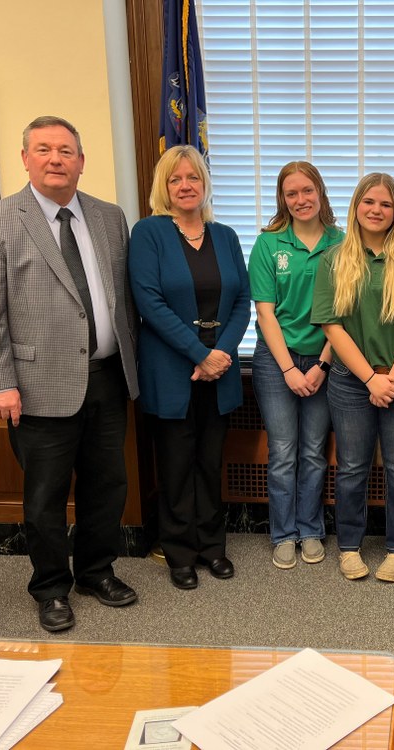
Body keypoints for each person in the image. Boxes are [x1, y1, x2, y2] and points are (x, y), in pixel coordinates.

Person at [0, 116, 140, 633]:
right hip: (37, 386)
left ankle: (96, 572)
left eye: (66, 150)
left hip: (107, 378)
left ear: (81, 161)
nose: (55, 159)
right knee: (45, 497)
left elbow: (120, 302)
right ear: (25, 159)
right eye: (44, 149)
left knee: (108, 485)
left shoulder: (109, 217)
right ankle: (51, 588)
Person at [128, 145, 250, 590]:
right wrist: (199, 355)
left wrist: (221, 354)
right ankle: (179, 551)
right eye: (176, 179)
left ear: (205, 184)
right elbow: (150, 303)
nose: (185, 186)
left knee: (210, 462)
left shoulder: (226, 236)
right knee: (176, 464)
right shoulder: (149, 233)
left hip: (221, 370)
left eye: (193, 178)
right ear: (164, 186)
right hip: (171, 370)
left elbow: (241, 301)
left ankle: (212, 548)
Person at [311, 173, 394, 582]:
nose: (376, 210)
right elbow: (332, 327)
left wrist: (392, 380)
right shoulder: (334, 259)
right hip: (350, 382)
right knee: (351, 467)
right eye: (369, 202)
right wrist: (370, 381)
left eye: (384, 203)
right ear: (356, 207)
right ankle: (349, 546)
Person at [248, 162, 343, 570]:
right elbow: (266, 315)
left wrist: (321, 365)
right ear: (282, 200)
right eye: (291, 194)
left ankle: (310, 529)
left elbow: (345, 315)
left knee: (315, 451)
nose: (300, 200)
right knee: (284, 451)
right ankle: (283, 533)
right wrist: (289, 369)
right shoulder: (269, 244)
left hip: (328, 357)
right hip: (277, 360)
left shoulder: (343, 243)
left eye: (307, 191)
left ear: (320, 193)